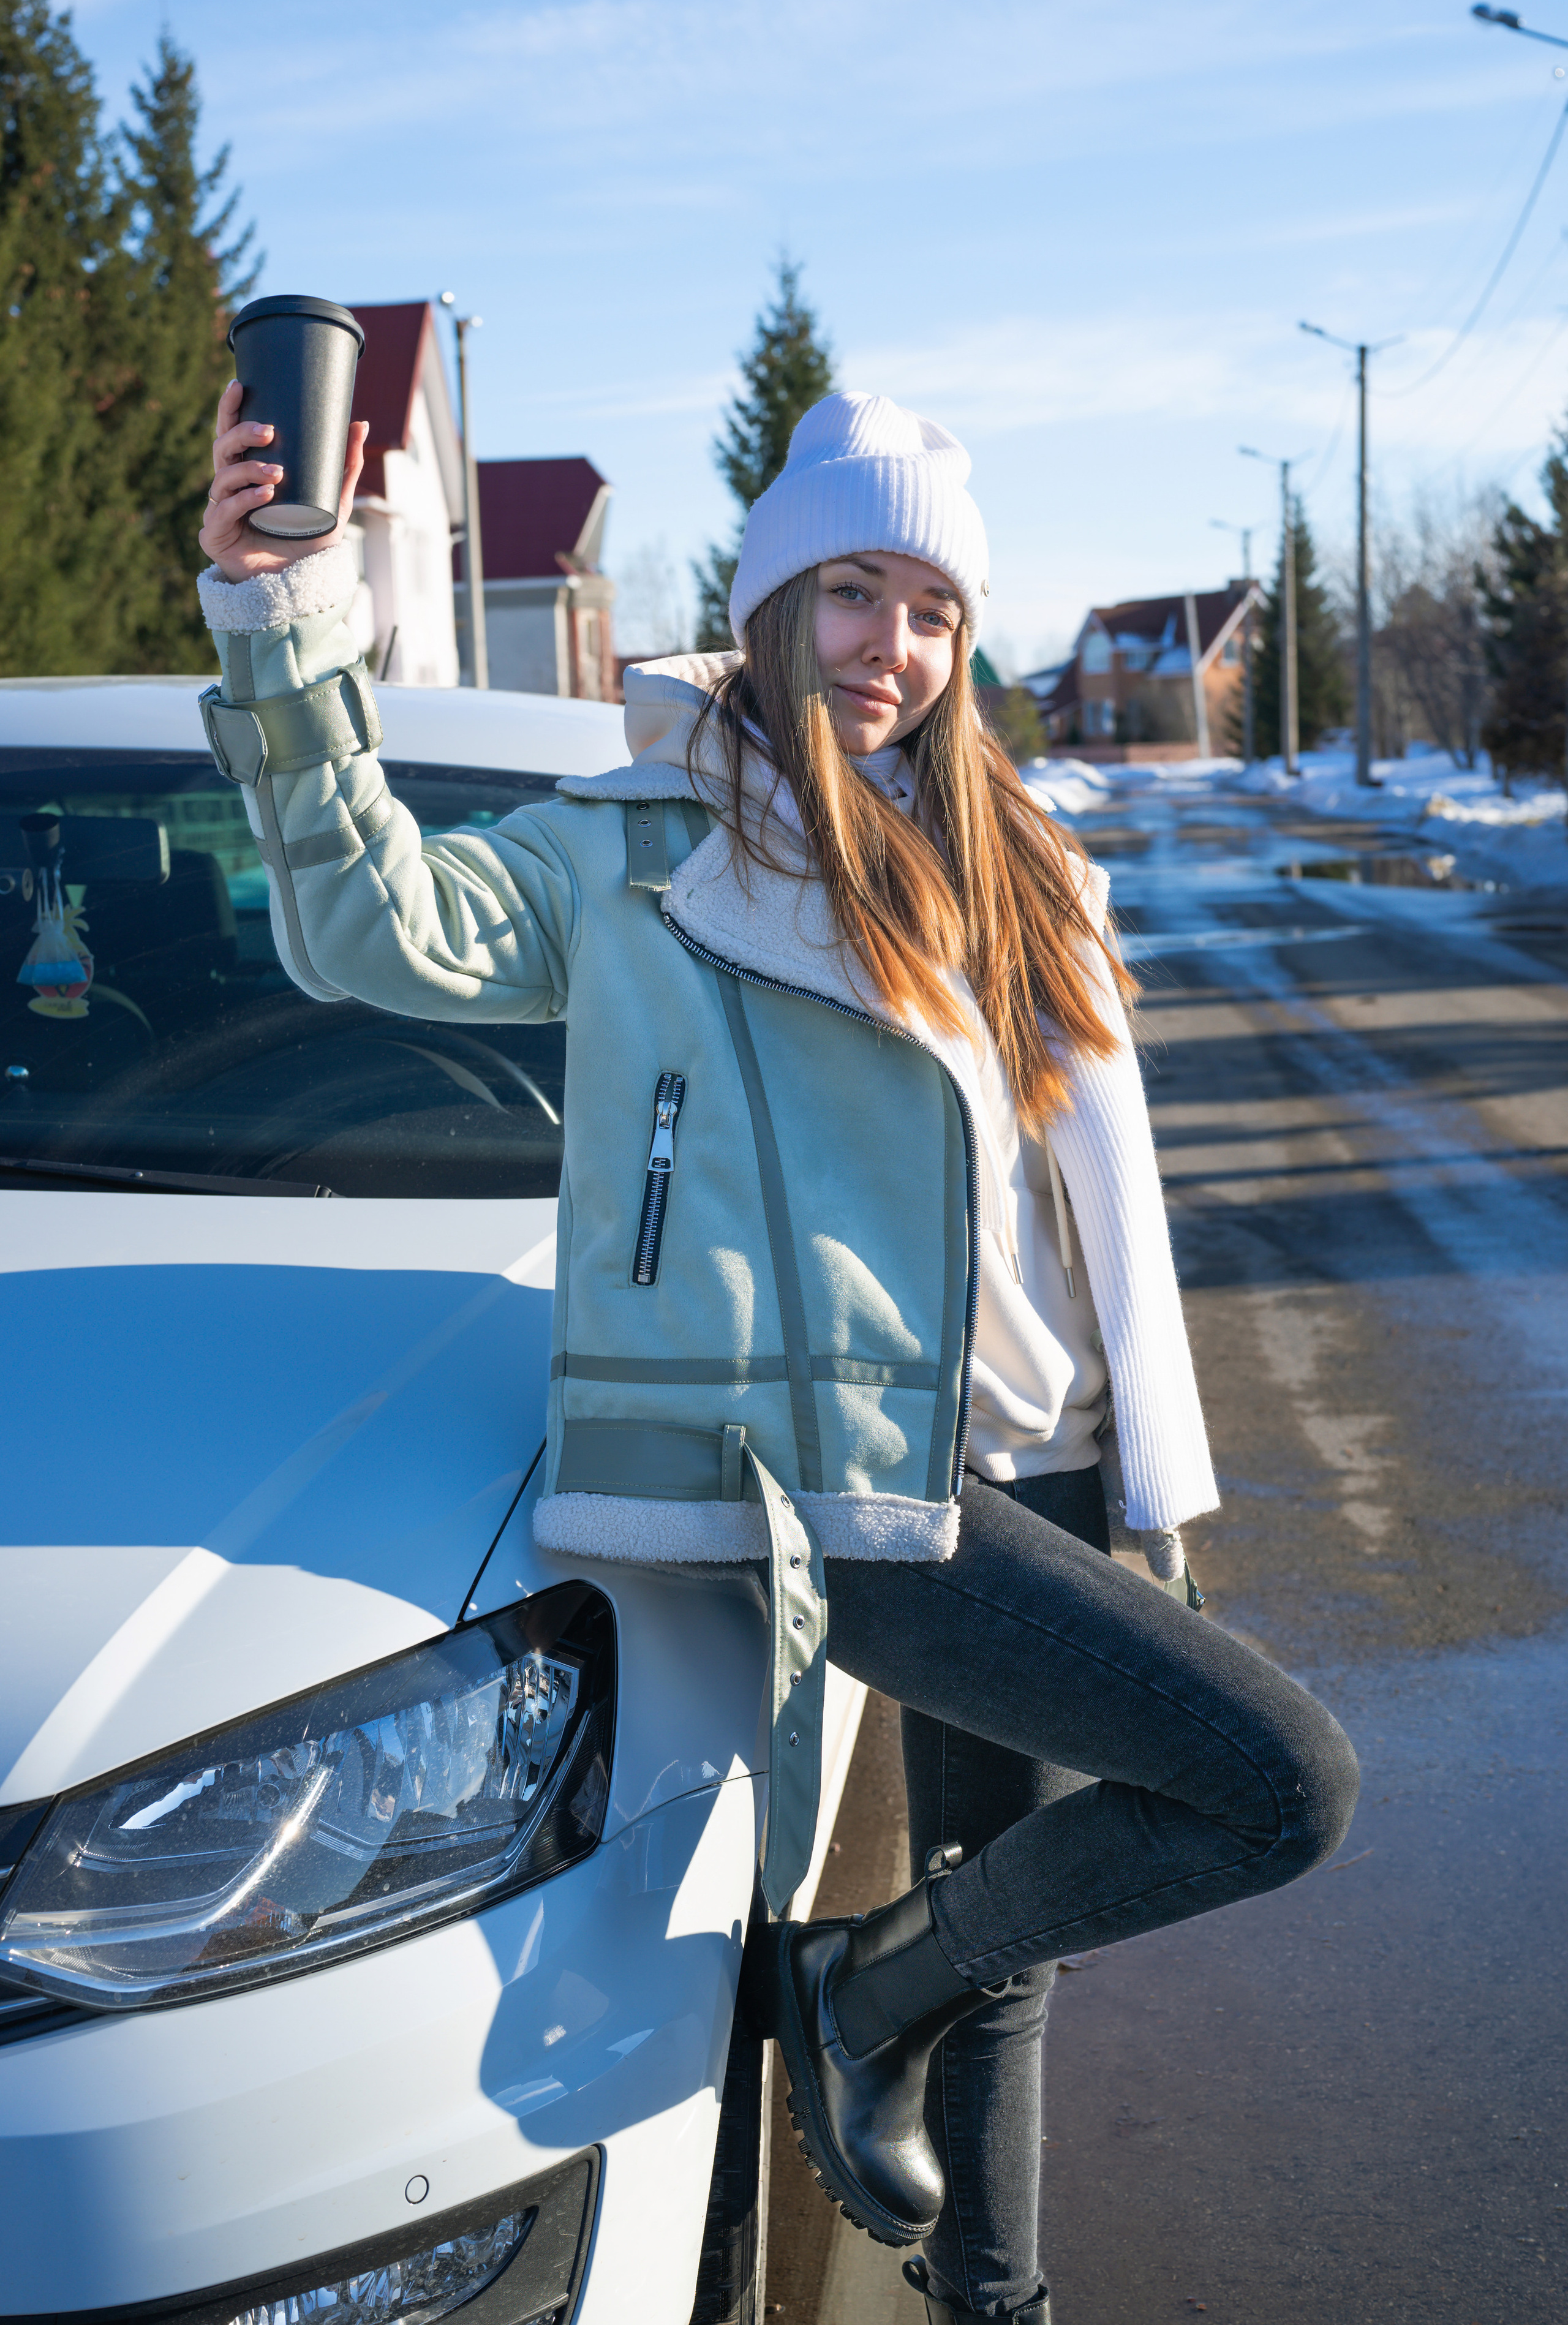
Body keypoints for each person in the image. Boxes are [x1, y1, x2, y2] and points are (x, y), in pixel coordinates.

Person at [198, 385, 1358, 2325]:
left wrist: (1151, 1480)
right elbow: (365, 926)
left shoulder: (1026, 866)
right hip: (861, 1486)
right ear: (770, 600)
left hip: (1054, 1454)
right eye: (850, 592)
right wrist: (282, 617)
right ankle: (852, 1983)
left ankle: (998, 2288)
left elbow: (1097, 1218)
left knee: (1019, 1941)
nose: (888, 646)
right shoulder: (649, 851)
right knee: (1285, 1781)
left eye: (928, 608)